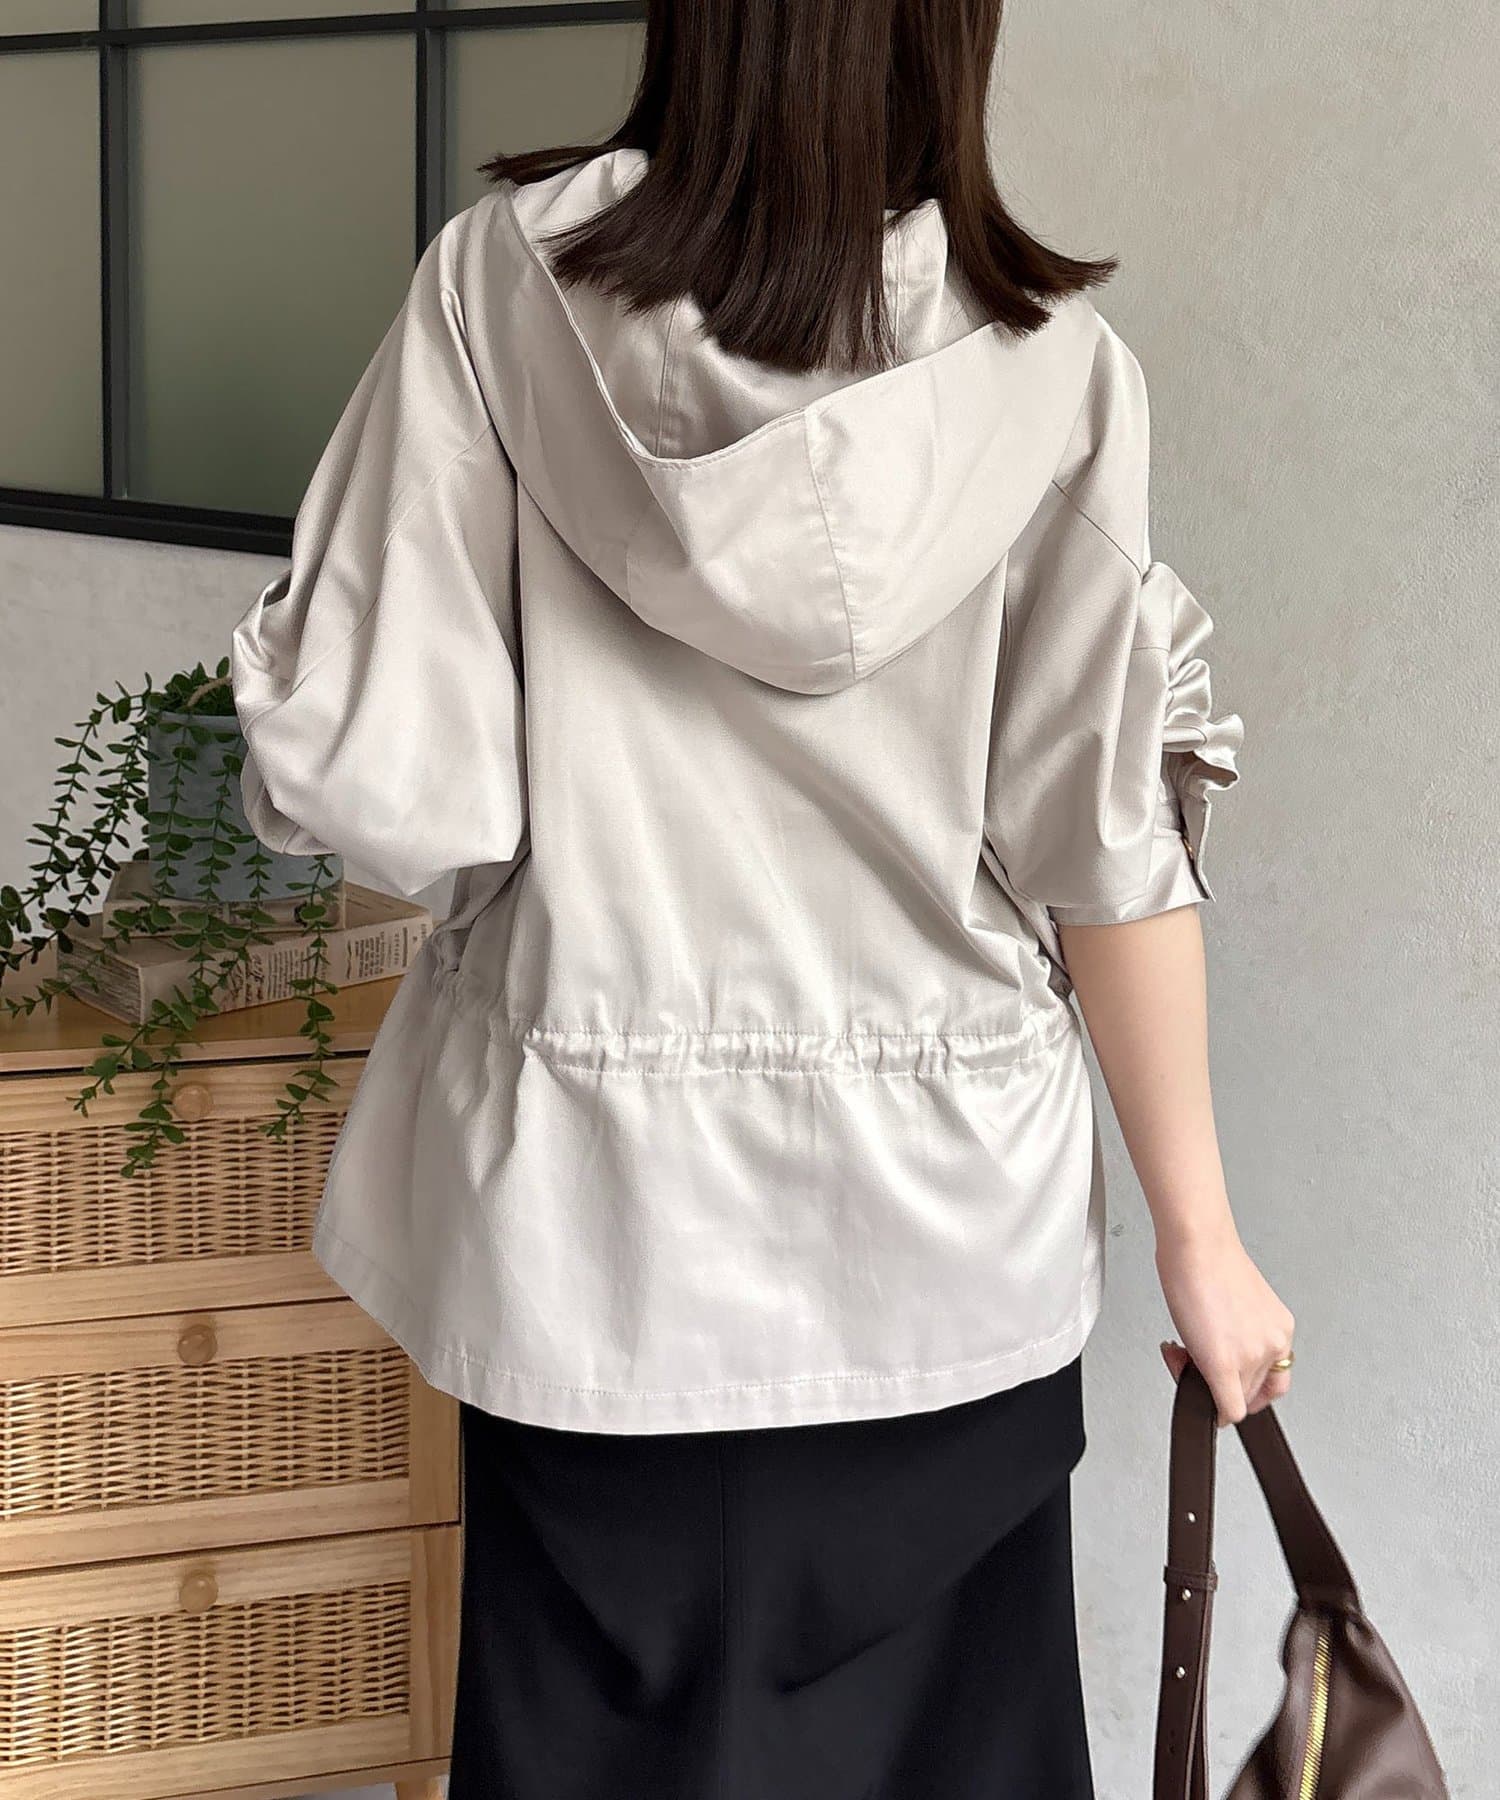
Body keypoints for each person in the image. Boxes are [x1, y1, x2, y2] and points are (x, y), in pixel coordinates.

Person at [229, 1, 1295, 1793]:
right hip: (946, 1253)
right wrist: (1204, 1238)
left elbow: (388, 784)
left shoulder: (500, 292)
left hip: (587, 1243)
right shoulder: (1051, 367)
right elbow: (1106, 843)